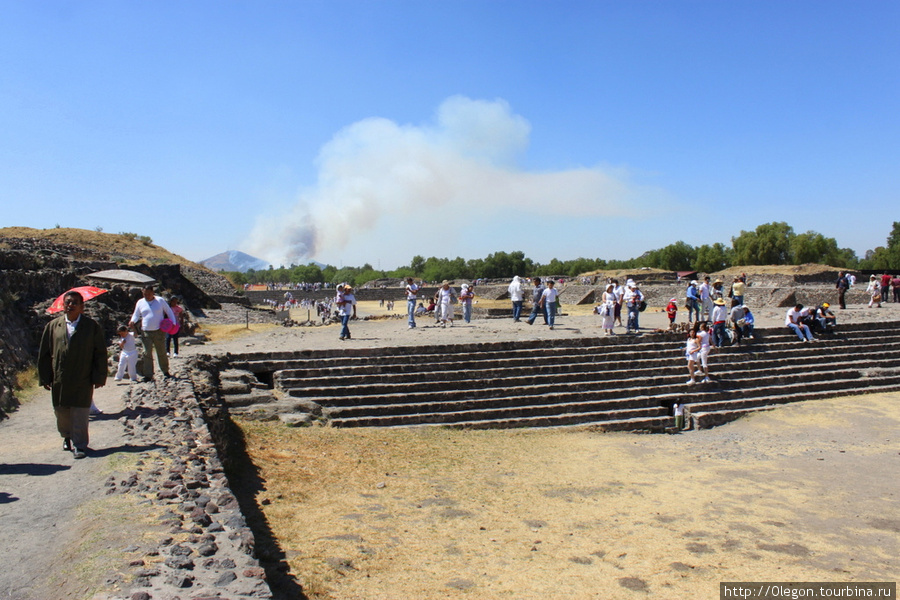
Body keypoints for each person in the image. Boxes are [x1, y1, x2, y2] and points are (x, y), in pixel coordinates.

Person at [38, 291, 107, 459]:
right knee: (61, 411)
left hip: (82, 376)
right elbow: (44, 354)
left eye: (75, 303)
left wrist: (99, 377)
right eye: (67, 302)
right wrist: (45, 377)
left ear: (82, 307)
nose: (70, 305)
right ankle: (66, 436)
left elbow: (100, 353)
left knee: (81, 411)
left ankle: (80, 444)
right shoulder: (53, 326)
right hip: (60, 377)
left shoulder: (91, 327)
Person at [129, 284, 178, 380]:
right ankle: (148, 374)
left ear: (153, 293)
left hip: (159, 330)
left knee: (161, 351)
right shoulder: (140, 302)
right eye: (145, 294)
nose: (147, 296)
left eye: (148, 294)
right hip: (146, 331)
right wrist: (132, 321)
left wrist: (173, 323)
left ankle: (165, 370)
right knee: (146, 353)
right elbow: (136, 314)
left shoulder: (160, 300)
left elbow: (168, 311)